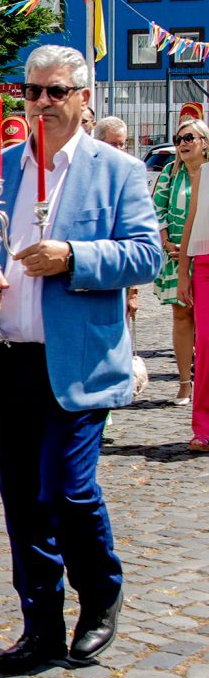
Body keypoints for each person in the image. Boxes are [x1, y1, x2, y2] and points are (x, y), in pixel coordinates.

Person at [0, 45, 162, 673]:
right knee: (22, 501)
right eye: (32, 92)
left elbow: (146, 253)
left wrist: (73, 255)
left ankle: (100, 594)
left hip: (77, 363)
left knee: (68, 491)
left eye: (56, 91)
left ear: (83, 97)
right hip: (7, 356)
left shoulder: (116, 170)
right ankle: (39, 624)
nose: (43, 103)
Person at [151, 118, 209, 406]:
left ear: (204, 143)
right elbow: (157, 211)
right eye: (178, 139)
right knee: (182, 317)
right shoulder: (169, 175)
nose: (182, 144)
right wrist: (166, 243)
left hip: (205, 256)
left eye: (188, 138)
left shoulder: (208, 175)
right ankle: (185, 382)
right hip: (176, 256)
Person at [94, 118, 141, 321]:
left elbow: (135, 239)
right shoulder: (86, 173)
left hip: (119, 268)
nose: (120, 149)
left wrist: (134, 291)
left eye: (123, 144)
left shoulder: (128, 175)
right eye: (114, 144)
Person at [178, 160, 209, 450]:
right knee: (207, 344)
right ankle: (204, 427)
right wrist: (183, 270)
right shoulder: (204, 172)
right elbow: (192, 217)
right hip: (205, 263)